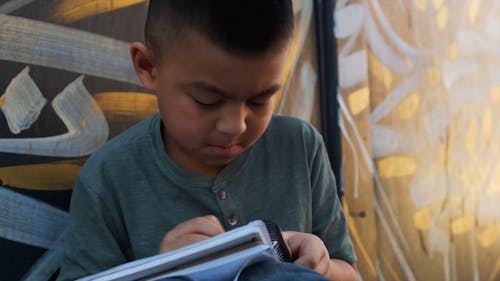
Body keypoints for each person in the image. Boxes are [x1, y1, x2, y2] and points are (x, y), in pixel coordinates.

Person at [57, 1, 357, 280]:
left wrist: (323, 265)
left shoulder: (301, 147)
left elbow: (351, 273)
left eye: (259, 100)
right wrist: (165, 272)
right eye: (207, 100)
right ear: (148, 67)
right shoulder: (107, 179)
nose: (235, 126)